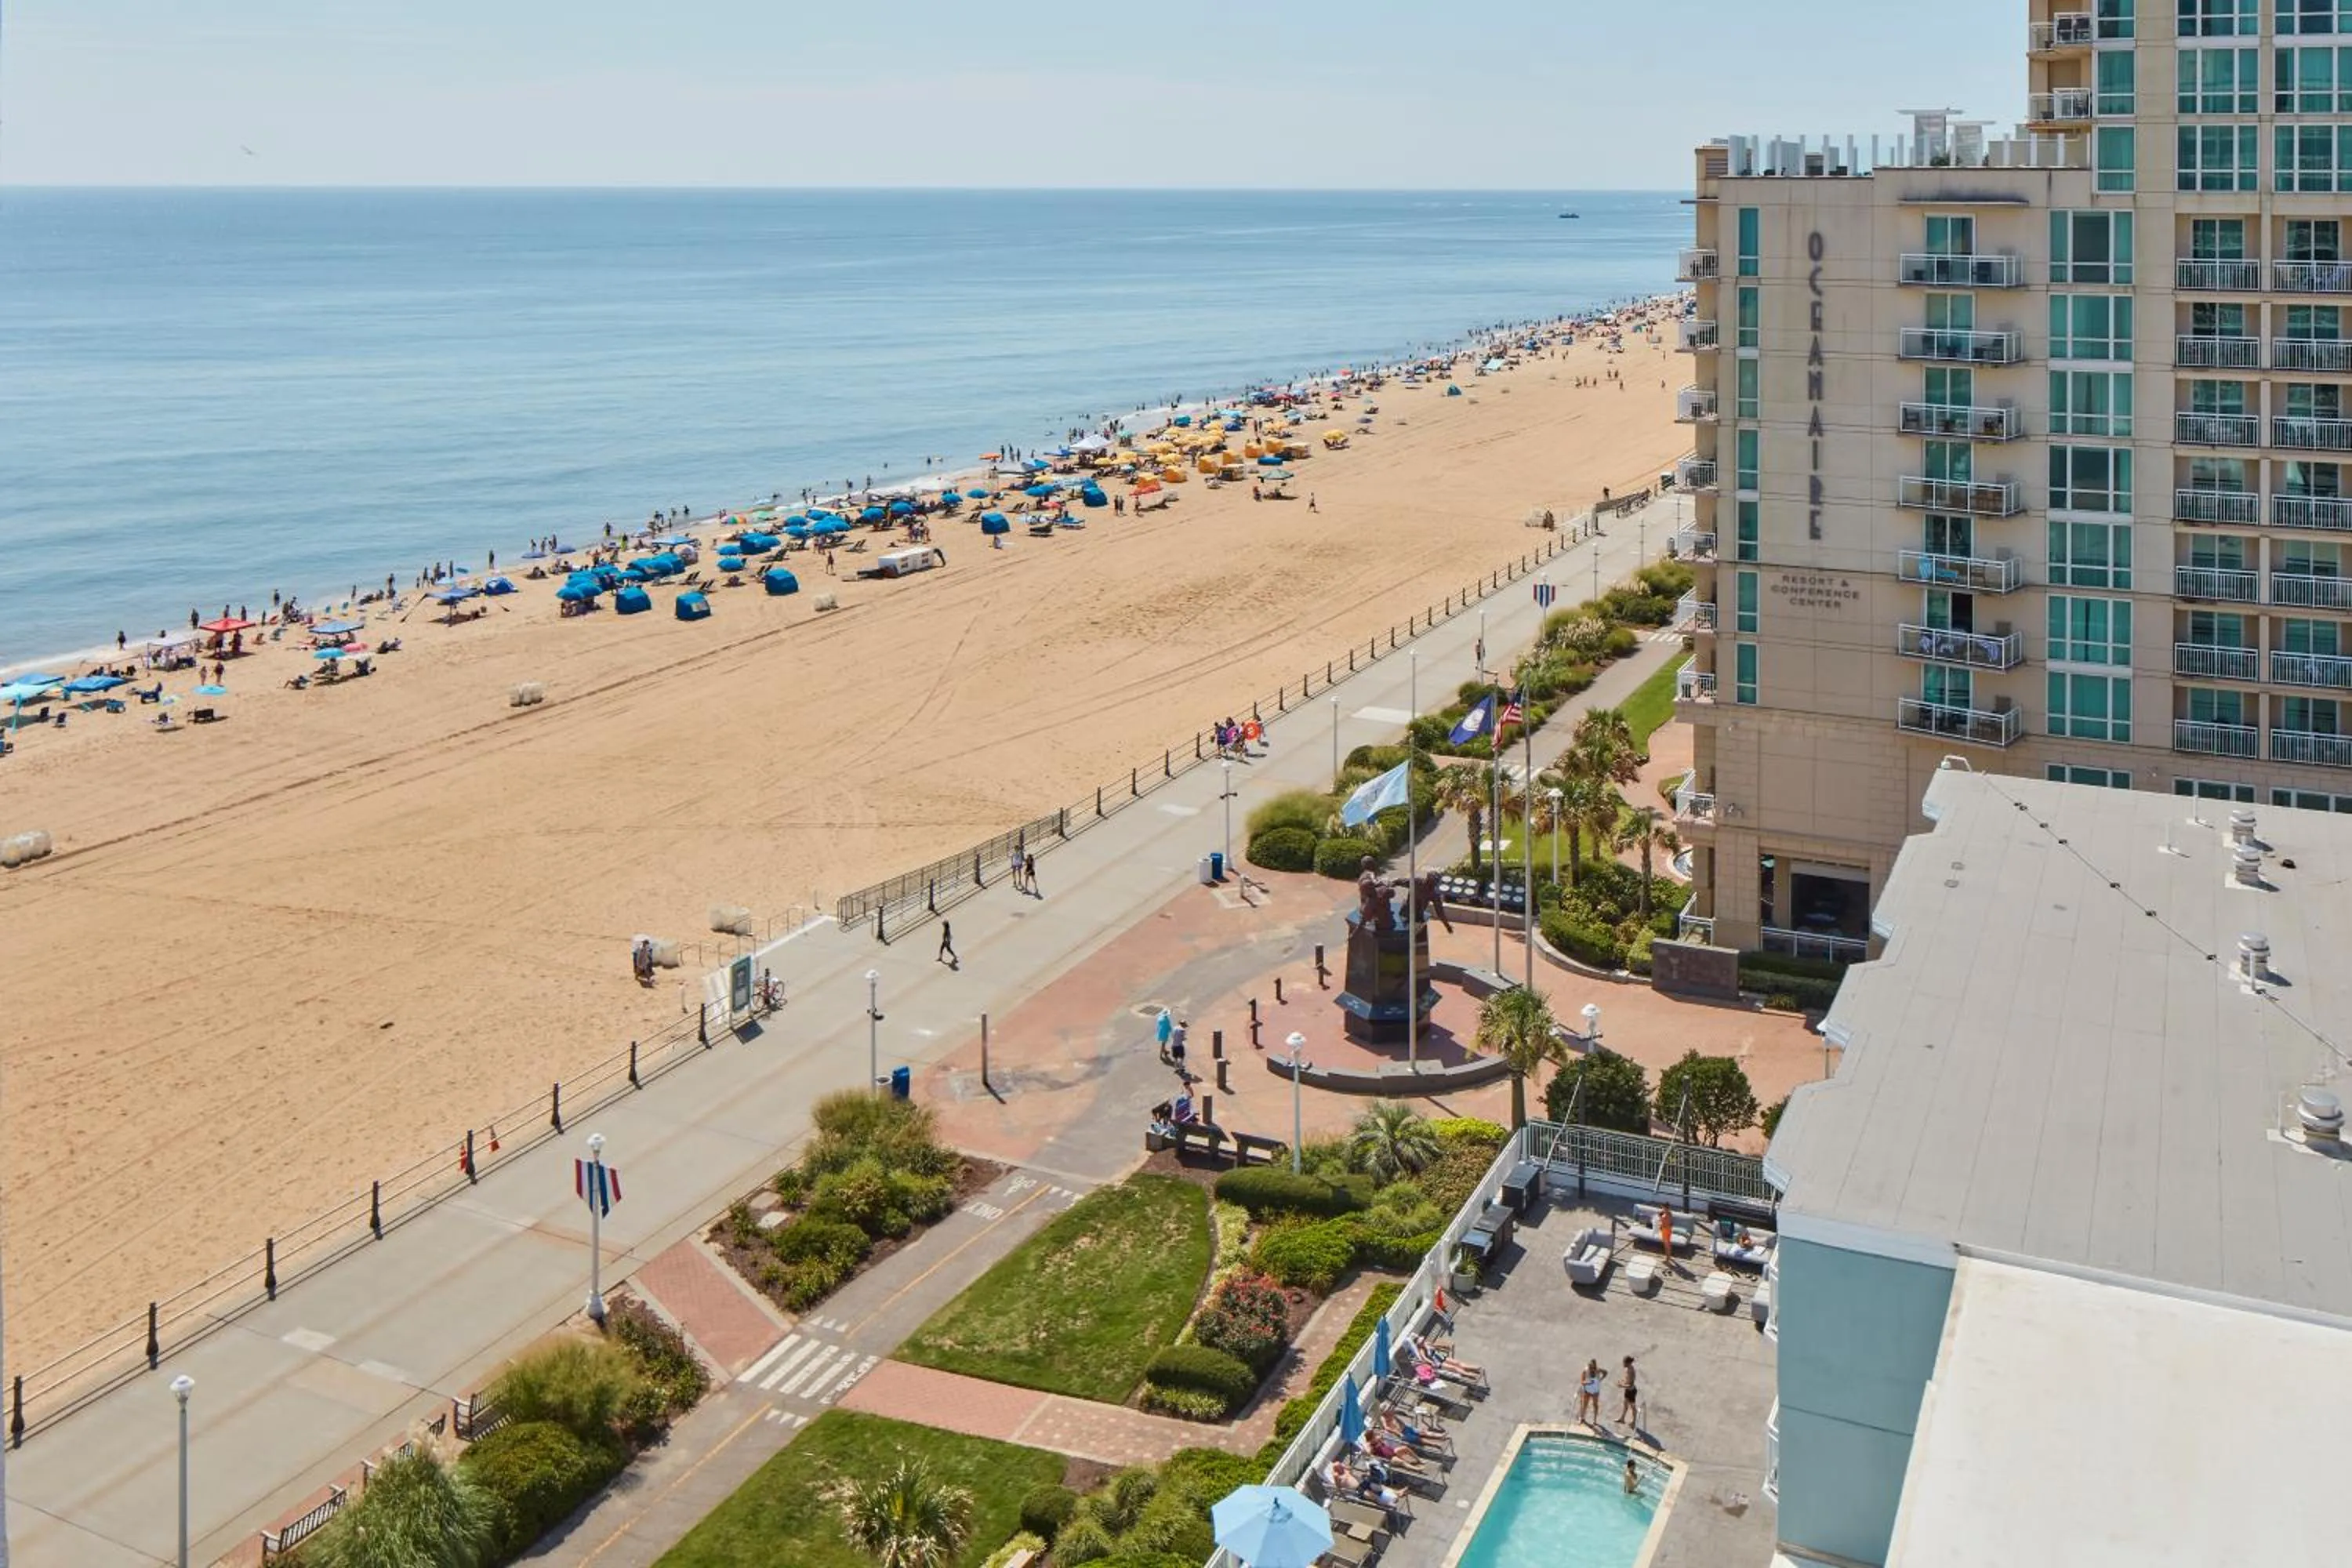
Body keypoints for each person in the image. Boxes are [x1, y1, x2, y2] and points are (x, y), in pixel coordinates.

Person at [1577, 1359, 1605, 1425]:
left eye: (1593, 1367)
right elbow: (1582, 1382)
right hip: (1587, 1391)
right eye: (1590, 1367)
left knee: (1595, 1405)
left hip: (1595, 1391)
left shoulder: (1597, 1370)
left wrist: (1601, 1379)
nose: (1592, 1369)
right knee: (1584, 1405)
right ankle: (1582, 1418)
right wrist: (1588, 1382)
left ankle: (1595, 1420)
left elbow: (1606, 1372)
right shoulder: (1585, 1371)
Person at [1618, 1356, 1639, 1427]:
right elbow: (1626, 1379)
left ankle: (1633, 1422)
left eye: (1624, 1363)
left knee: (1632, 1407)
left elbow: (1630, 1385)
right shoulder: (1627, 1369)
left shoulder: (1632, 1371)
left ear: (1628, 1363)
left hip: (1631, 1391)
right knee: (1625, 1405)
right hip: (1627, 1390)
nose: (1623, 1364)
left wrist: (1622, 1386)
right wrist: (1622, 1382)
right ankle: (1622, 1419)